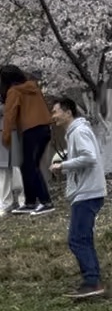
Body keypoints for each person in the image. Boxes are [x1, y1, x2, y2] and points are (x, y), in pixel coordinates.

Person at [50, 96, 105, 300]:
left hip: (88, 192)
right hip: (88, 191)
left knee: (77, 239)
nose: (53, 116)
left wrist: (62, 166)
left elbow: (89, 157)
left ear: (68, 112)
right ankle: (92, 280)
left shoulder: (79, 131)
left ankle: (92, 282)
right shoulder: (76, 132)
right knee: (82, 238)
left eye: (56, 111)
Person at [1, 66, 55, 215]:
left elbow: (9, 115)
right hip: (45, 128)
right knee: (30, 166)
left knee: (30, 166)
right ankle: (30, 202)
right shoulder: (33, 88)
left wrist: (5, 136)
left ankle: (45, 201)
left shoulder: (14, 91)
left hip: (30, 130)